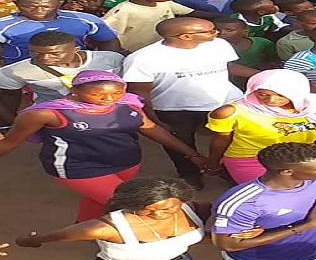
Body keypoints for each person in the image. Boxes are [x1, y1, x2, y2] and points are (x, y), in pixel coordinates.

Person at [0, 70, 205, 222]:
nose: (108, 99)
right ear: (74, 91)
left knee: (99, 199)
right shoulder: (46, 113)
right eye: (97, 95)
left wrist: (191, 154)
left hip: (127, 163)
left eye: (116, 93)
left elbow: (151, 129)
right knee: (131, 203)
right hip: (79, 168)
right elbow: (10, 142)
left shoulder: (129, 104)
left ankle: (83, 227)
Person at [15, 177, 209, 260]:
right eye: (146, 209)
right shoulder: (105, 227)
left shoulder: (195, 209)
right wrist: (30, 240)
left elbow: (214, 233)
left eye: (168, 209)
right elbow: (59, 235)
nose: (158, 214)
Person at [123, 18, 248, 189]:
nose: (216, 33)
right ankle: (190, 174)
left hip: (225, 103)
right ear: (186, 36)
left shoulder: (219, 44)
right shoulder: (142, 58)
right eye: (210, 31)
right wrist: (155, 120)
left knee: (235, 140)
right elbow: (140, 93)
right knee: (179, 144)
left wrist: (262, 73)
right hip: (174, 109)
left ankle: (228, 169)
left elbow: (227, 67)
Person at [206, 69, 316, 183]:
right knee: (275, 193)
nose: (271, 100)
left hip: (302, 157)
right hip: (251, 159)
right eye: (262, 94)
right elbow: (221, 140)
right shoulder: (231, 112)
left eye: (281, 95)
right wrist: (213, 164)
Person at [0, 30, 124, 120]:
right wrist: (11, 125)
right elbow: (7, 101)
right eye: (35, 52)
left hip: (111, 113)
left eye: (55, 54)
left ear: (76, 49)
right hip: (57, 117)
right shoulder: (15, 71)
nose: (44, 58)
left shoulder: (110, 59)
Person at [0, 0, 119, 64]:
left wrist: (106, 59)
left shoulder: (85, 19)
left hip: (75, 67)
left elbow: (108, 39)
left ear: (59, 4)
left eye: (46, 7)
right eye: (29, 6)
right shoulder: (3, 25)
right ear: (17, 4)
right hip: (22, 70)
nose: (39, 11)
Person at [103, 0, 197, 52]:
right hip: (137, 50)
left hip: (163, 45)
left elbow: (188, 12)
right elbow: (110, 33)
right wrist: (120, 51)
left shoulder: (163, 2)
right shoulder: (123, 11)